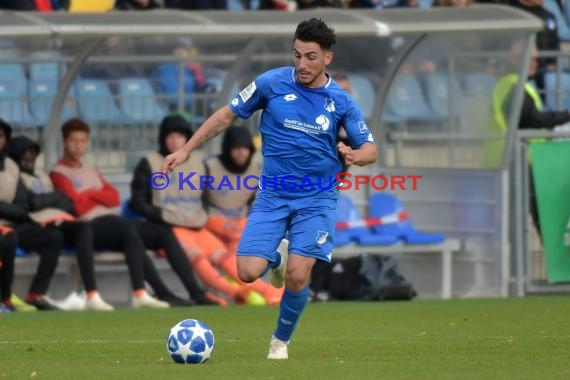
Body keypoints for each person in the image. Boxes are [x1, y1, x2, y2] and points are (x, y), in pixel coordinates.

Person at [161, 18, 377, 359]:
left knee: (297, 276)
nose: (302, 64)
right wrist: (187, 148)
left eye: (310, 57)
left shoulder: (342, 101)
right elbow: (226, 115)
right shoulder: (271, 83)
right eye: (297, 55)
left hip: (317, 198)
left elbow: (371, 149)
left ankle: (280, 342)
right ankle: (276, 255)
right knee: (246, 273)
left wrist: (354, 154)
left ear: (327, 59)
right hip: (273, 195)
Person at [49, 118, 176, 309]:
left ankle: (149, 292)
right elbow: (77, 206)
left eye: (83, 141)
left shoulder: (90, 169)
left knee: (156, 232)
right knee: (128, 228)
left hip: (109, 224)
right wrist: (98, 194)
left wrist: (89, 193)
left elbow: (114, 197)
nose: (78, 146)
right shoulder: (58, 173)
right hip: (87, 227)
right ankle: (141, 292)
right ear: (64, 142)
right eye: (73, 141)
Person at [129, 115, 254, 306]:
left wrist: (201, 214)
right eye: (170, 136)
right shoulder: (149, 163)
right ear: (163, 137)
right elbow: (137, 201)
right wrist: (162, 215)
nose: (174, 140)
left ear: (187, 138)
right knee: (199, 257)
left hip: (196, 226)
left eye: (179, 136)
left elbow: (204, 197)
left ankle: (273, 292)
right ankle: (233, 293)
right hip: (167, 229)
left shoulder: (199, 163)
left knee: (227, 258)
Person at [7, 136, 114, 311]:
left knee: (83, 228)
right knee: (59, 235)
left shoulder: (43, 176)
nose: (29, 158)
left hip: (61, 219)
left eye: (32, 154)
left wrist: (47, 200)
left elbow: (68, 202)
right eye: (24, 155)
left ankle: (90, 293)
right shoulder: (17, 178)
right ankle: (37, 293)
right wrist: (53, 199)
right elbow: (30, 203)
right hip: (39, 222)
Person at [486, 40, 570, 237]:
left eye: (535, 58)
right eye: (527, 57)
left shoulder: (517, 83)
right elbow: (529, 119)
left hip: (522, 160)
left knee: (535, 216)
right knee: (531, 217)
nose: (533, 62)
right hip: (513, 161)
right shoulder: (513, 84)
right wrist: (566, 115)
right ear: (513, 60)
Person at [203, 126, 284, 305]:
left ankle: (255, 291)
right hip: (212, 226)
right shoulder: (209, 167)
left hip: (240, 224)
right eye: (236, 149)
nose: (241, 153)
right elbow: (199, 205)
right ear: (227, 149)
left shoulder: (255, 169)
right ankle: (262, 291)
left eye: (245, 148)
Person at [0, 120, 18, 312]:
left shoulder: (12, 167)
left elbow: (21, 206)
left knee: (10, 238)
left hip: (6, 223)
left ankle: (5, 298)